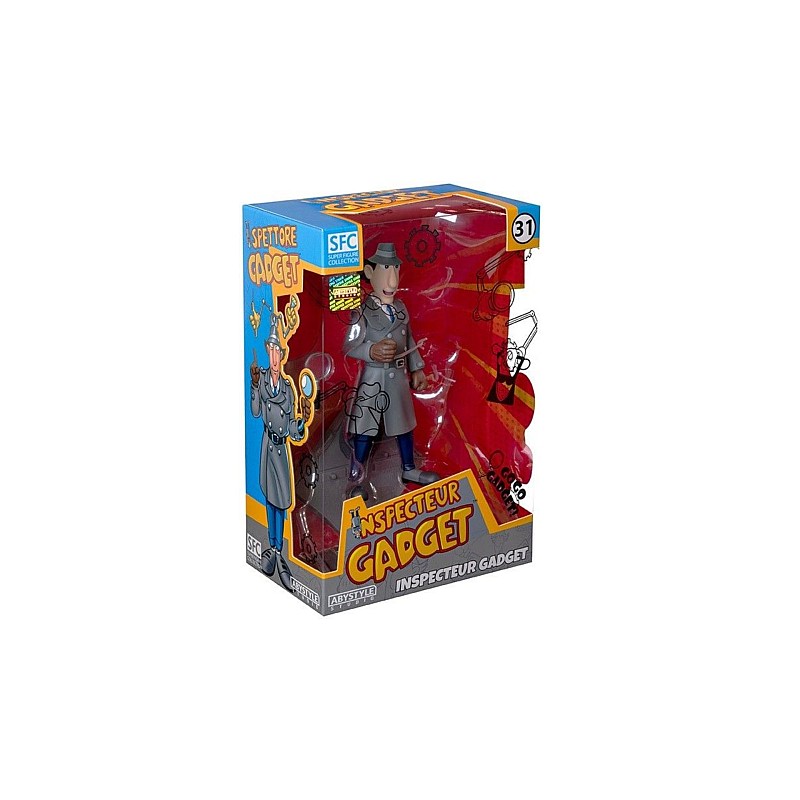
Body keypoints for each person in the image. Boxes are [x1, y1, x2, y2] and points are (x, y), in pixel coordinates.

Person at [344, 243, 440, 489]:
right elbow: (349, 345)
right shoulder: (362, 311)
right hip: (373, 378)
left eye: (395, 269)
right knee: (365, 428)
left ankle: (409, 469)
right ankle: (356, 476)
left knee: (404, 425)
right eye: (386, 269)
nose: (392, 280)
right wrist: (371, 351)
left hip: (397, 377)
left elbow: (409, 339)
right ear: (369, 272)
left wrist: (416, 368)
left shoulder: (400, 308)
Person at [250, 315, 312, 590]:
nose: (274, 356)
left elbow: (292, 430)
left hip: (281, 448)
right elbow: (255, 412)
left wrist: (303, 420)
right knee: (270, 499)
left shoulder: (287, 389)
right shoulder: (262, 380)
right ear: (268, 351)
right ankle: (273, 548)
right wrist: (254, 386)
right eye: (271, 350)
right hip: (267, 445)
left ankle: (279, 551)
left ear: (283, 355)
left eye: (278, 351)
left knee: (283, 501)